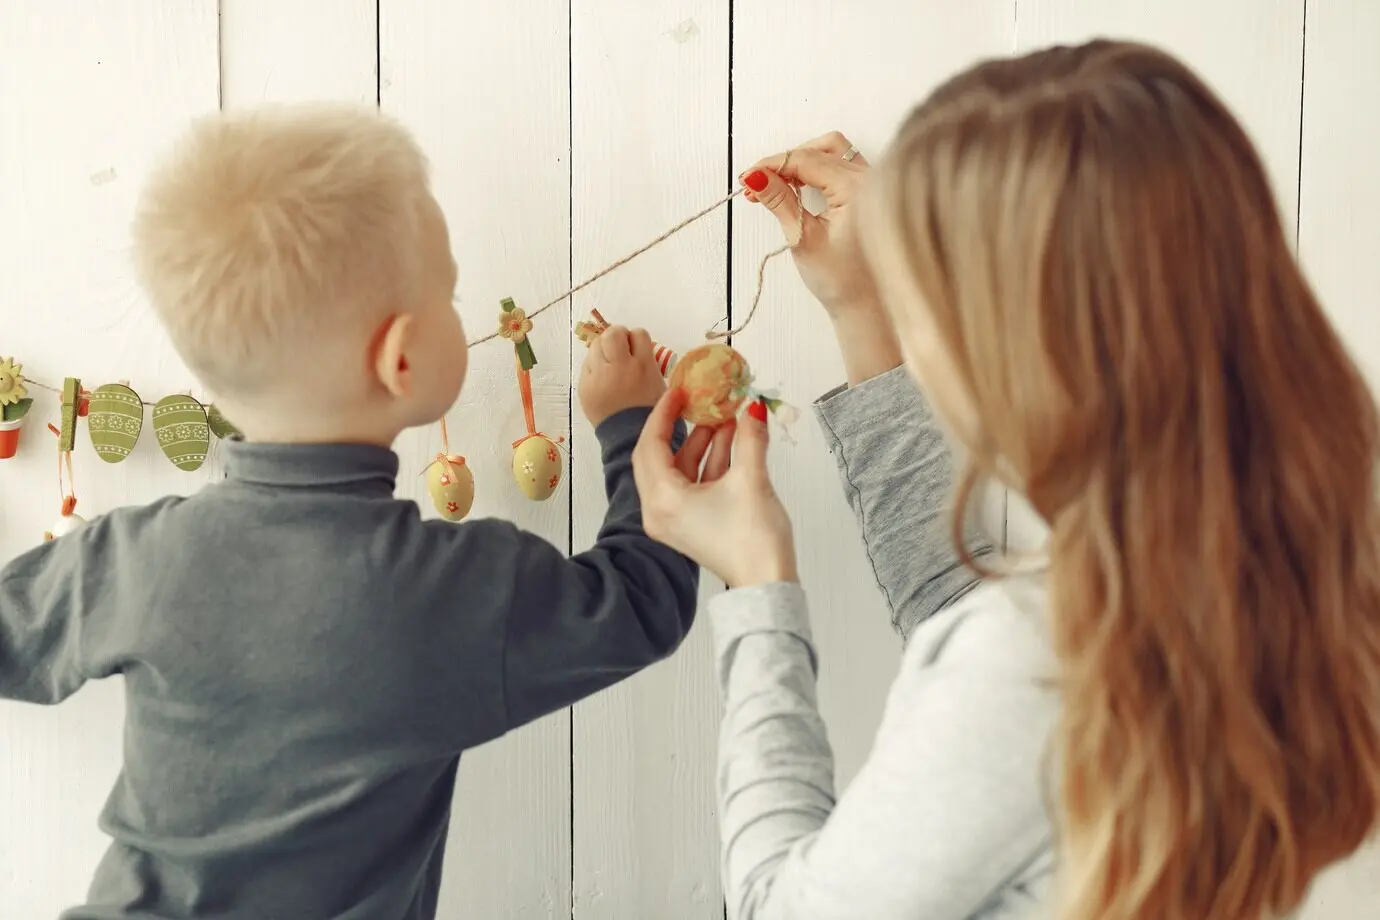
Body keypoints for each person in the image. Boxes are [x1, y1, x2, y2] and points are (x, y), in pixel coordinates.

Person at [634, 40, 1380, 920]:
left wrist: (759, 589)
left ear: (1021, 358)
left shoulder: (1037, 657)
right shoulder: (1305, 558)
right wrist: (865, 312)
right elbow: (973, 632)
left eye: (926, 303)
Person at [0, 103, 699, 919]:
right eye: (451, 294)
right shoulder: (458, 587)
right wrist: (630, 428)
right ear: (402, 358)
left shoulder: (129, 559)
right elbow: (643, 601)